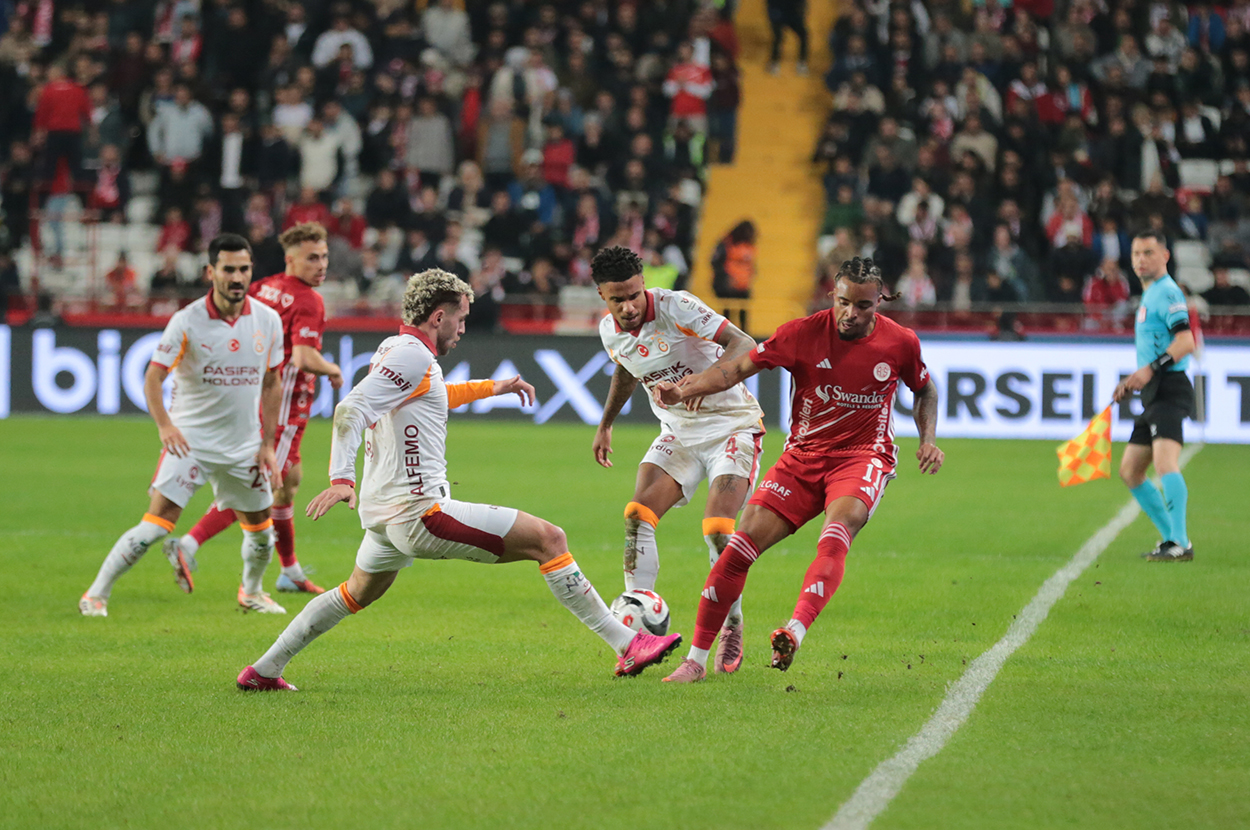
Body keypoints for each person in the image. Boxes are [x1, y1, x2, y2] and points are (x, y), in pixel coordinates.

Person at [236, 269, 682, 691]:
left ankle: (264, 668)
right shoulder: (412, 355)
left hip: (386, 515)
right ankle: (629, 645)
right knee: (550, 539)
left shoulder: (398, 350)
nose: (464, 329)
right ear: (438, 317)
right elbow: (349, 410)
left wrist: (494, 387)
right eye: (461, 318)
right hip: (420, 513)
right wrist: (340, 478)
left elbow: (431, 395)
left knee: (353, 593)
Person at [656, 257, 944, 682]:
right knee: (737, 550)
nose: (852, 314)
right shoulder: (801, 333)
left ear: (879, 301)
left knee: (835, 535)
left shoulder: (900, 343)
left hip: (863, 456)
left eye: (863, 306)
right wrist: (683, 390)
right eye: (844, 302)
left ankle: (794, 630)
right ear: (833, 295)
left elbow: (925, 389)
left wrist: (928, 439)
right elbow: (737, 368)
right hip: (802, 458)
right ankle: (696, 661)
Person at [80, 234, 286, 617]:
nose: (237, 276)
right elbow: (153, 377)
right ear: (211, 272)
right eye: (228, 269)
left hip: (244, 445)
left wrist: (268, 444)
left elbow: (273, 382)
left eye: (244, 268)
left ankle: (252, 592)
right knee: (156, 525)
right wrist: (165, 427)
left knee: (261, 533)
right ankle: (96, 593)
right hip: (192, 442)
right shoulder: (187, 321)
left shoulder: (268, 320)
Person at [591, 246, 764, 674]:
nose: (629, 307)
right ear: (602, 296)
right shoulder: (609, 331)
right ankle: (639, 638)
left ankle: (732, 625)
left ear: (643, 282)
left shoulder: (677, 306)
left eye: (634, 294)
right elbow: (627, 369)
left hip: (732, 426)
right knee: (637, 515)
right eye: (618, 299)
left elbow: (744, 345)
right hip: (680, 434)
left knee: (719, 530)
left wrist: (693, 386)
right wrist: (606, 423)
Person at [165, 223, 345, 595]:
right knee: (261, 486)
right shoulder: (309, 300)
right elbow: (303, 356)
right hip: (282, 407)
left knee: (288, 483)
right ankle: (189, 544)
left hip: (250, 400)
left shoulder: (263, 287)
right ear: (291, 259)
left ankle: (290, 570)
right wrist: (333, 369)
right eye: (313, 257)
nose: (322, 264)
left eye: (325, 256)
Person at [1113, 231, 1197, 562]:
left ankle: (1179, 542)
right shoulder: (1149, 295)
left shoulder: (1168, 293)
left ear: (1165, 255)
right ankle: (1171, 540)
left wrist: (1149, 369)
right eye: (1135, 253)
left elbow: (1186, 342)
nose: (1140, 259)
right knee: (1131, 471)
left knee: (1164, 463)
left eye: (1148, 252)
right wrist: (1136, 378)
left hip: (1170, 388)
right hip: (1153, 392)